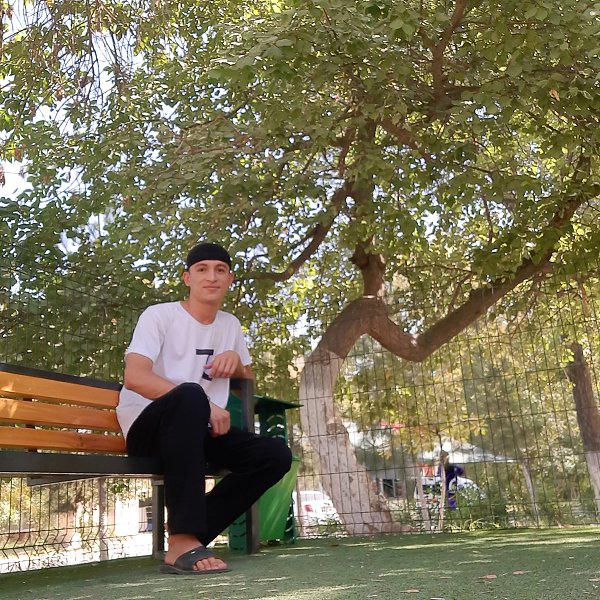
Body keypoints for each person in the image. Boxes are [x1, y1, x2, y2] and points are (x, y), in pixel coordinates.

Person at [116, 242, 293, 575]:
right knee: (190, 394)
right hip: (149, 429)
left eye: (220, 270)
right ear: (187, 278)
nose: (211, 276)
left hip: (200, 432)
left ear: (229, 279)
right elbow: (135, 376)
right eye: (202, 269)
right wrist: (204, 403)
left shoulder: (230, 325)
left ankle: (189, 537)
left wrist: (236, 360)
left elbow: (246, 378)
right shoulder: (159, 315)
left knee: (274, 456)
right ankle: (182, 541)